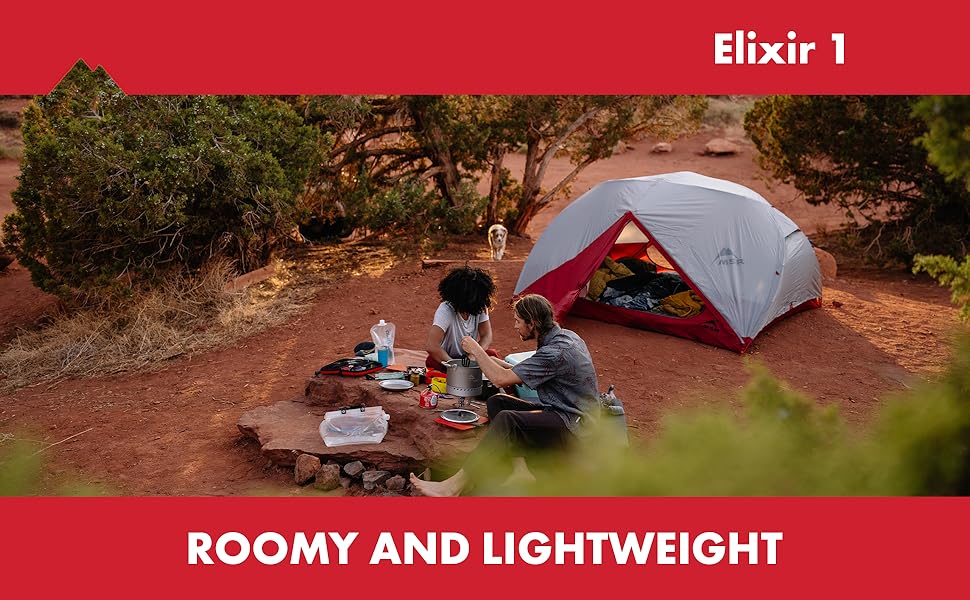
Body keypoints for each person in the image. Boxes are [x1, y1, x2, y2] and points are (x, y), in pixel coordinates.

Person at [411, 294, 600, 496]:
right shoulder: (565, 337)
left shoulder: (555, 352)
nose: (515, 326)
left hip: (575, 425)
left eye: (518, 321)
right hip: (564, 408)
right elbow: (526, 372)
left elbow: (501, 380)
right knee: (498, 402)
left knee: (508, 419)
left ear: (532, 323)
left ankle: (454, 486)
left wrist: (476, 349)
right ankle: (522, 471)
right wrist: (494, 361)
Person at [425, 266, 499, 371]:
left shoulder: (479, 306)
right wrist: (456, 366)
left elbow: (486, 335)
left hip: (471, 356)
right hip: (449, 358)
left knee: (492, 355)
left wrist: (473, 356)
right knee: (432, 361)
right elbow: (431, 345)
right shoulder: (446, 310)